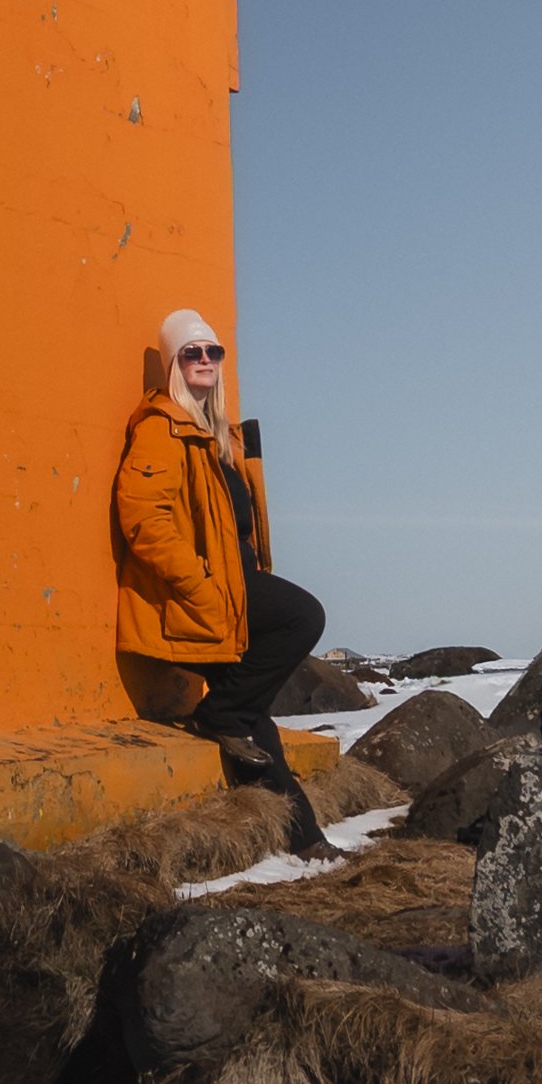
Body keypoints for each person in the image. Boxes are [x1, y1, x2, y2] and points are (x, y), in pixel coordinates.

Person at [113, 307, 326, 852]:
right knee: (305, 616)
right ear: (173, 366)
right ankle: (221, 712)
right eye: (191, 353)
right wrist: (200, 583)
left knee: (256, 727)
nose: (204, 360)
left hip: (236, 584)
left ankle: (303, 841)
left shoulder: (221, 435)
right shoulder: (162, 428)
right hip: (211, 592)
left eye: (212, 351)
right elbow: (143, 519)